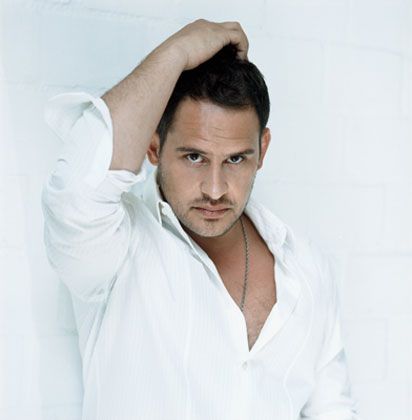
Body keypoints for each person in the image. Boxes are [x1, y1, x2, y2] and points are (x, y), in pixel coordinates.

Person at [41, 19, 361, 420]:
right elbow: (74, 193)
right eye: (194, 157)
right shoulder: (116, 248)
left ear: (262, 150)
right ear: (153, 146)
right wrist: (177, 51)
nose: (214, 188)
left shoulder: (306, 266)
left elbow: (333, 410)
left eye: (236, 159)